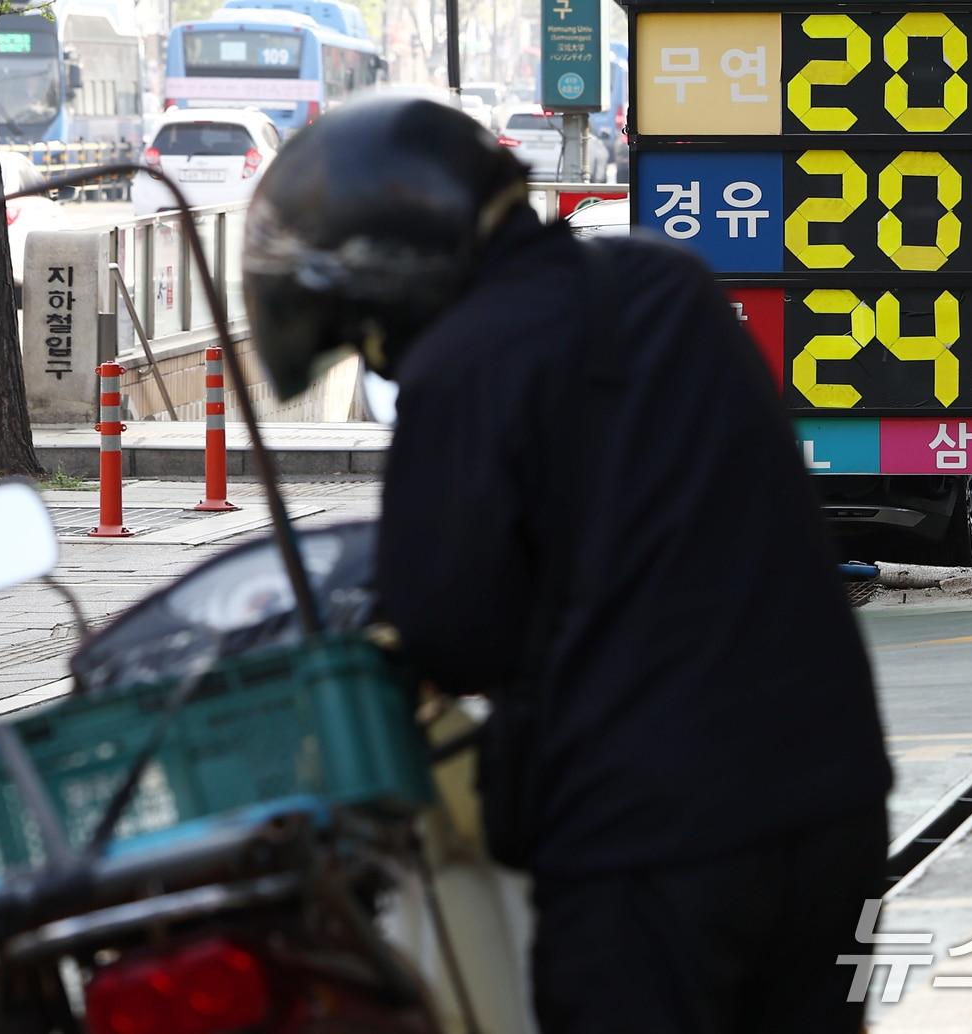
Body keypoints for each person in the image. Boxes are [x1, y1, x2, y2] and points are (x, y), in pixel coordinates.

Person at [242, 94, 893, 1033]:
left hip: (650, 839)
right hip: (830, 796)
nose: (377, 358)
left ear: (393, 286)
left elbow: (448, 626)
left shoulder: (461, 366)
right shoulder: (670, 287)